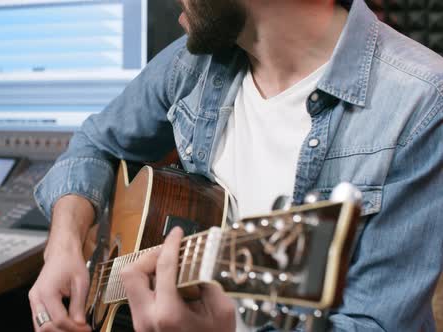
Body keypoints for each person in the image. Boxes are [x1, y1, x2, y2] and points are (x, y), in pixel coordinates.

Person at [28, 0, 443, 331]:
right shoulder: (193, 62)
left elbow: (373, 323)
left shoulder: (421, 102)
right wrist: (63, 242)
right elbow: (94, 144)